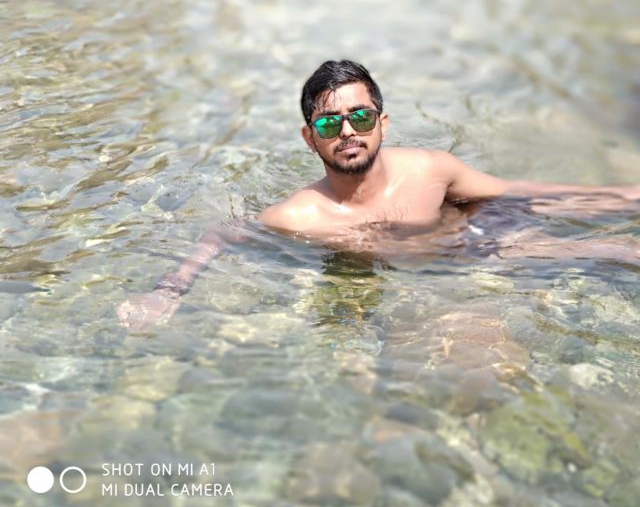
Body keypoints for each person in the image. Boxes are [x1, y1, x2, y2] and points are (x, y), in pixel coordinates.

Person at [117, 60, 640, 328]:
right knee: (616, 252)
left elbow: (520, 195)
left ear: (382, 124)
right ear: (310, 138)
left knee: (616, 250)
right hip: (454, 266)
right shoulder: (301, 215)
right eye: (329, 122)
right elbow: (221, 233)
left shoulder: (430, 170)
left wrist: (626, 196)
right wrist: (167, 293)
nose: (348, 131)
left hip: (483, 240)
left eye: (360, 117)